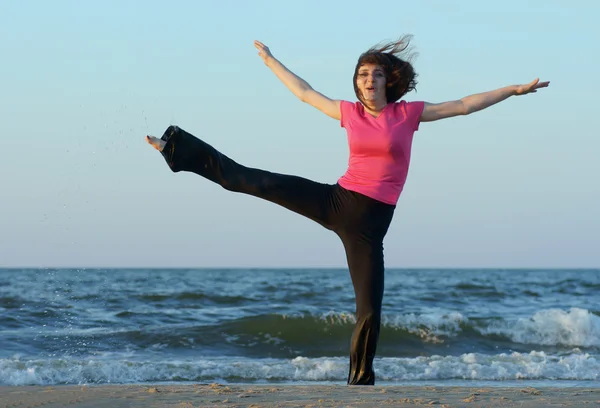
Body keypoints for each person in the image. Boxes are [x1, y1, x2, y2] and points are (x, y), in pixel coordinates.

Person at [145, 36, 549, 385]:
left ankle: (360, 383)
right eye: (361, 75)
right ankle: (176, 148)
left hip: (369, 228)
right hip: (337, 201)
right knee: (250, 180)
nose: (367, 81)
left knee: (369, 310)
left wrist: (512, 90)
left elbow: (462, 105)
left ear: (387, 80)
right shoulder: (350, 114)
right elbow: (304, 92)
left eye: (374, 74)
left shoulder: (407, 114)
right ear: (356, 83)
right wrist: (271, 61)